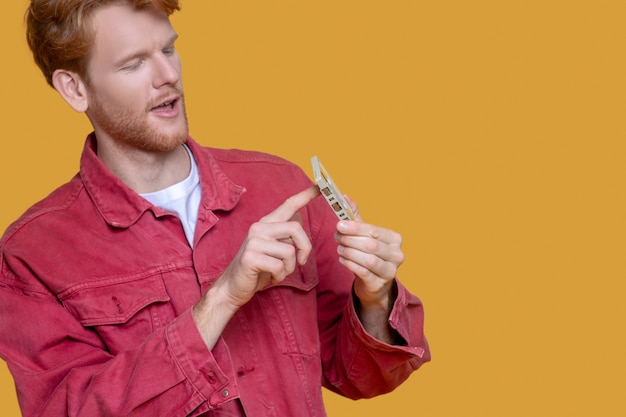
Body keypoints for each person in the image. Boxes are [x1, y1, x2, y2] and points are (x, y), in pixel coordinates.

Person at [0, 1, 430, 416]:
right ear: (74, 88)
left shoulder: (280, 187)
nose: (168, 75)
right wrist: (221, 299)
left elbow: (360, 376)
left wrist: (374, 297)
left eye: (168, 49)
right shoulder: (32, 255)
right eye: (134, 64)